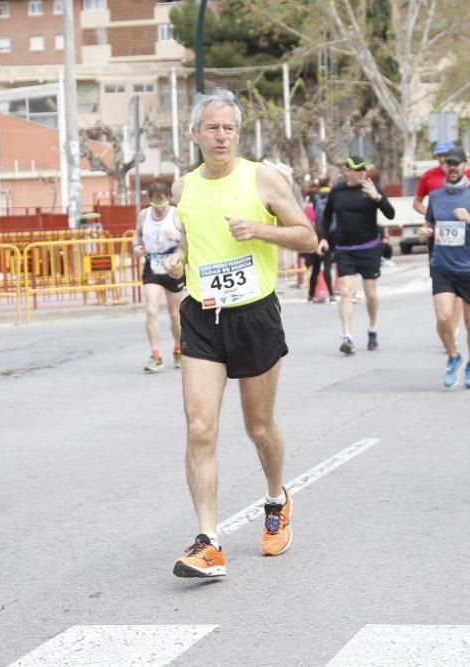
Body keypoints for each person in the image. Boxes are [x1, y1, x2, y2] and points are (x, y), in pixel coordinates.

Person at [163, 90, 317, 578]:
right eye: (212, 127)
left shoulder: (261, 177)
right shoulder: (183, 188)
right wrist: (180, 260)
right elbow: (193, 237)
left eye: (228, 127)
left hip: (254, 315)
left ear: (238, 133)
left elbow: (309, 237)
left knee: (258, 427)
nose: (221, 135)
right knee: (200, 427)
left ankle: (276, 499)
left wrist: (260, 229)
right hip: (202, 317)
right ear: (194, 135)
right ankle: (208, 541)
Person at [416, 148, 470, 389]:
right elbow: (429, 222)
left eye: (456, 164)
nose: (451, 168)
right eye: (448, 164)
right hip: (442, 266)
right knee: (443, 318)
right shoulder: (436, 196)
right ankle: (453, 357)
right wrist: (424, 232)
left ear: (465, 166)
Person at [319, 156, 396, 354]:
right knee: (345, 291)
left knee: (370, 293)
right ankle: (347, 336)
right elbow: (327, 216)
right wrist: (324, 238)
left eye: (364, 169)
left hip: (369, 248)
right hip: (345, 250)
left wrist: (377, 198)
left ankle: (372, 328)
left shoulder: (371, 188)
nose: (363, 172)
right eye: (358, 169)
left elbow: (390, 214)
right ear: (347, 170)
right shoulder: (337, 191)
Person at [413, 141, 470, 334]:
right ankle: (447, 323)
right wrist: (432, 216)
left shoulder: (469, 176)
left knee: (460, 289)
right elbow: (417, 203)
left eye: (446, 155)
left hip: (466, 241)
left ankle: (452, 327)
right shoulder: (429, 176)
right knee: (444, 284)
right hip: (439, 239)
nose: (443, 160)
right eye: (439, 156)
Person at [132, 182, 185, 372]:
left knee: (175, 314)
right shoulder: (144, 215)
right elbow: (136, 235)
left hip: (172, 265)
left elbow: (188, 239)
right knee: (151, 310)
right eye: (155, 204)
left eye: (161, 204)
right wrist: (136, 247)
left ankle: (178, 348)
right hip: (152, 265)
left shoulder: (176, 214)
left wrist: (177, 237)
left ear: (168, 199)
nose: (159, 209)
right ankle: (155, 355)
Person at [307, 177, 336, 303]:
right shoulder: (334, 195)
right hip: (330, 235)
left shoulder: (315, 197)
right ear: (329, 183)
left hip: (317, 235)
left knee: (316, 267)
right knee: (328, 265)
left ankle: (311, 294)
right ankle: (331, 293)